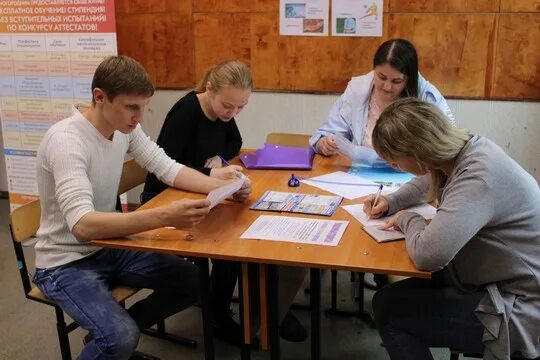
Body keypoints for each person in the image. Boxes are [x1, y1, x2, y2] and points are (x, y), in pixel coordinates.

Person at [32, 55, 252, 360]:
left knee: (193, 282)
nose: (139, 117)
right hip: (65, 262)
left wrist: (229, 187)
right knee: (119, 337)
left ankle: (113, 339)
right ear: (99, 97)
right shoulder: (67, 142)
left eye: (142, 107)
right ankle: (116, 339)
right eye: (131, 107)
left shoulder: (124, 129)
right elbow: (83, 226)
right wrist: (163, 216)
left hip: (108, 247)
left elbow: (167, 167)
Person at [142, 60, 308, 344]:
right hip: (164, 198)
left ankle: (269, 309)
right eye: (228, 106)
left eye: (241, 107)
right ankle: (218, 317)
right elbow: (167, 167)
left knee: (248, 228)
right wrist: (211, 172)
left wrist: (220, 169)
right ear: (210, 89)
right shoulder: (187, 112)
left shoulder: (225, 112)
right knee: (231, 246)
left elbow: (234, 142)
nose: (233, 113)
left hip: (201, 192)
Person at [362, 98, 540, 360]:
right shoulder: (466, 149)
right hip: (490, 279)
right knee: (384, 301)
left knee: (393, 316)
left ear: (418, 153)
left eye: (396, 163)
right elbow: (426, 180)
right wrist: (392, 201)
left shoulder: (479, 177)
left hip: (519, 306)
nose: (396, 168)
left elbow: (428, 255)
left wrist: (407, 219)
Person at [310, 38, 455, 166]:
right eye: (381, 77)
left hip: (413, 180)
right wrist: (324, 144)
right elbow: (329, 132)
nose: (387, 87)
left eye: (396, 81)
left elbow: (446, 148)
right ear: (374, 69)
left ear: (409, 79)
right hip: (358, 175)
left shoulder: (427, 97)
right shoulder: (357, 90)